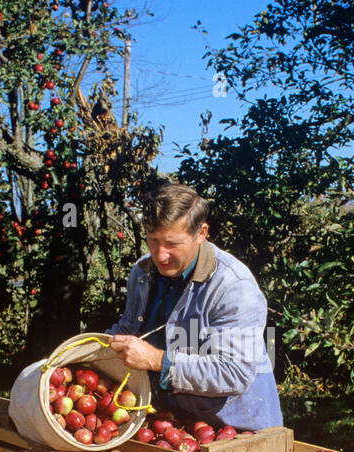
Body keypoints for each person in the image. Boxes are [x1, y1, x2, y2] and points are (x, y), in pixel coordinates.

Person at [106, 183, 283, 431]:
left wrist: (157, 360)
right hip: (175, 424)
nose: (160, 255)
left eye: (172, 244)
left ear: (201, 233)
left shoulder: (233, 286)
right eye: (152, 240)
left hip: (237, 428)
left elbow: (234, 372)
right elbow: (128, 328)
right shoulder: (143, 272)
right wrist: (92, 350)